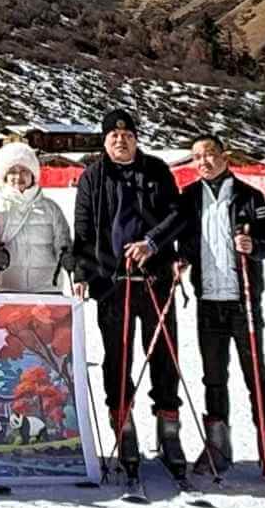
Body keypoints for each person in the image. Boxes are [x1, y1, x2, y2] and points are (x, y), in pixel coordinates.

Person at [71, 110, 187, 479]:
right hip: (112, 280)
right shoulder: (93, 176)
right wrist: (82, 272)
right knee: (117, 356)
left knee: (164, 353)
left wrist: (153, 243)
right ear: (104, 141)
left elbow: (177, 214)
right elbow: (83, 229)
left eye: (127, 134)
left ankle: (169, 429)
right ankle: (123, 424)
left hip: (154, 277)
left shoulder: (156, 170)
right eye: (114, 135)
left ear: (136, 139)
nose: (121, 140)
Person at [172, 132, 265, 480]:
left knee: (255, 374)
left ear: (224, 156)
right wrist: (181, 259)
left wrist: (254, 245)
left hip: (242, 300)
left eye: (209, 154)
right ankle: (217, 445)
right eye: (196, 156)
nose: (203, 161)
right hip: (208, 301)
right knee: (213, 376)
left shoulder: (249, 196)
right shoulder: (189, 197)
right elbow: (185, 240)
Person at [0, 141, 69, 295]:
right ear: (4, 176)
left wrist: (67, 256)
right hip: (8, 289)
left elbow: (63, 242)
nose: (18, 176)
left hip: (47, 289)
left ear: (33, 175)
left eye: (24, 170)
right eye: (12, 171)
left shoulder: (51, 209)